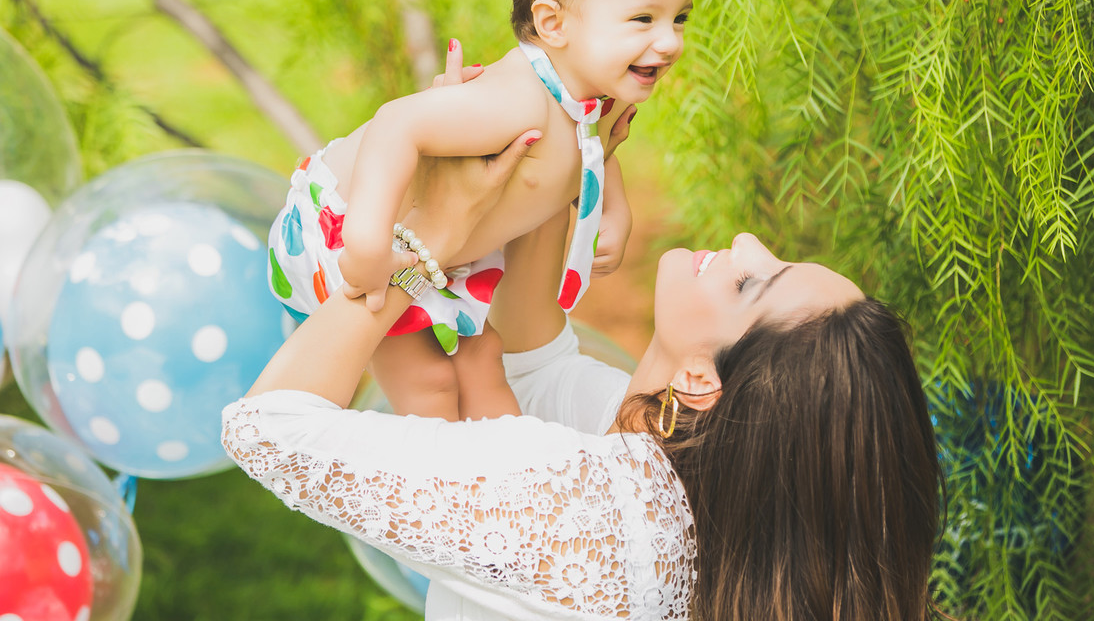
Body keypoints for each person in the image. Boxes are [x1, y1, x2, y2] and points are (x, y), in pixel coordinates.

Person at [222, 53, 945, 620]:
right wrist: (558, 155)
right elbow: (534, 358)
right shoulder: (686, 478)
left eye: (751, 284)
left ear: (701, 382)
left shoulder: (585, 511)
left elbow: (267, 430)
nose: (747, 244)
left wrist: (424, 237)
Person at [264, 0, 698, 423]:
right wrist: (366, 241)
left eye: (679, 18)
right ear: (554, 23)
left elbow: (591, 145)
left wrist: (614, 210)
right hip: (352, 232)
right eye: (643, 19)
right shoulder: (517, 100)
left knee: (482, 359)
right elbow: (397, 123)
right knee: (430, 382)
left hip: (445, 255)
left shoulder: (593, 93)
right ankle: (437, 474)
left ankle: (517, 463)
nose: (669, 42)